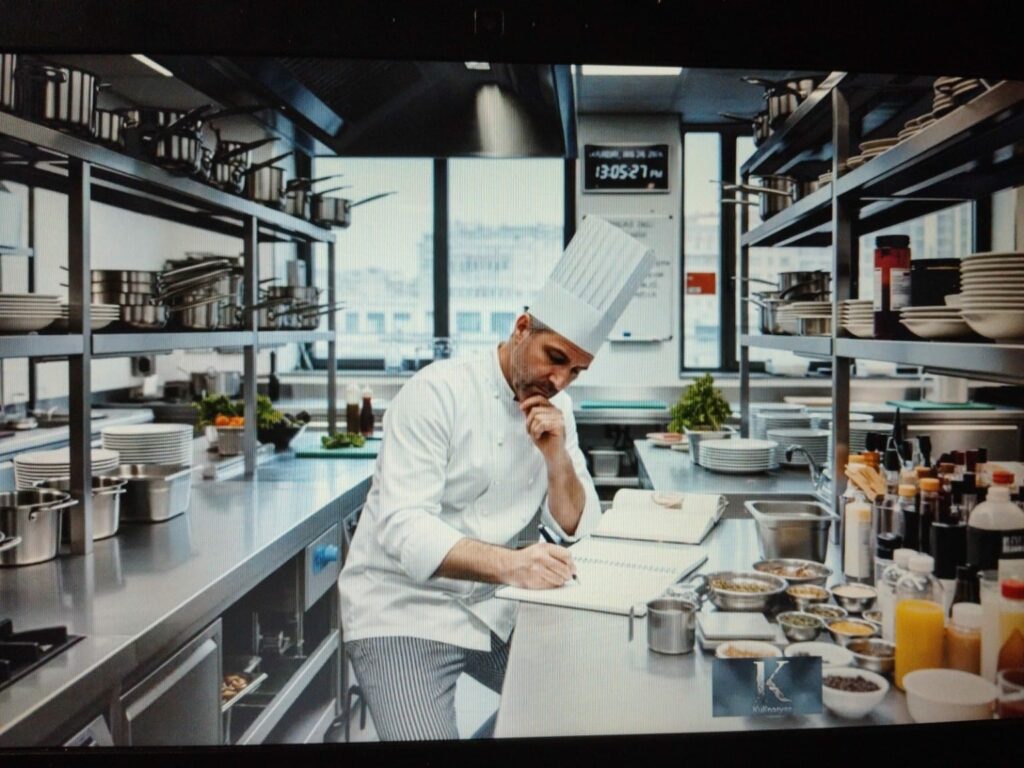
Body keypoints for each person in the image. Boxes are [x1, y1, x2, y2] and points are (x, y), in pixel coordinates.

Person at [336, 216, 654, 741]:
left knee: (588, 709)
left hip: (492, 606)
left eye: (575, 371)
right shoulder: (437, 392)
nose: (559, 380)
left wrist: (557, 458)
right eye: (555, 358)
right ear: (522, 327)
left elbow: (577, 525)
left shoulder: (558, 410)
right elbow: (404, 528)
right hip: (403, 608)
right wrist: (513, 565)